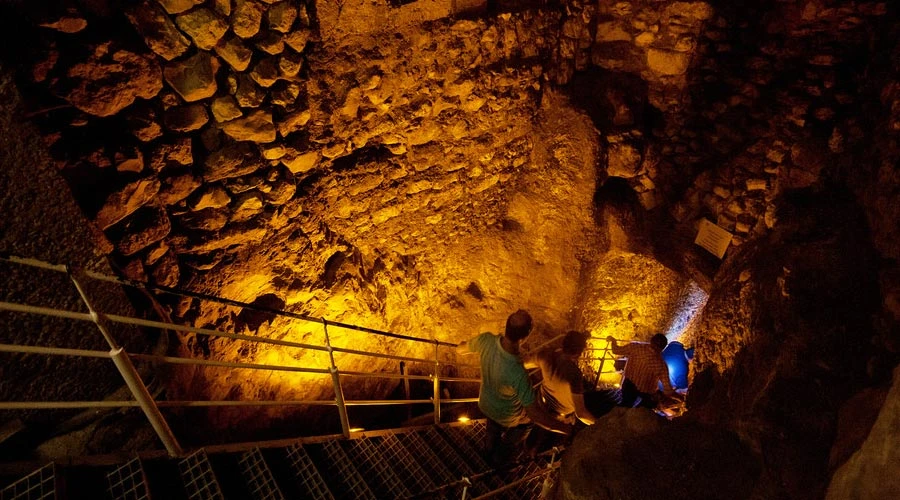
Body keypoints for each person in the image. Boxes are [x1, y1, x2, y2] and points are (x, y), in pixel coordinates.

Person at [457, 309, 572, 466]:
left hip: (485, 404)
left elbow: (460, 349)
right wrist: (565, 428)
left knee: (492, 428)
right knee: (526, 423)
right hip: (507, 417)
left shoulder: (486, 340)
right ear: (525, 336)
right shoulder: (518, 373)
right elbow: (535, 415)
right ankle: (503, 458)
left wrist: (464, 344)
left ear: (506, 326)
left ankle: (488, 452)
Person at [524, 330, 597, 425]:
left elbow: (523, 364)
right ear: (578, 354)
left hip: (539, 404)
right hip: (558, 418)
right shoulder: (574, 373)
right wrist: (597, 424)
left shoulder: (546, 354)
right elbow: (581, 414)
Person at [607, 333, 675, 409]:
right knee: (646, 407)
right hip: (645, 395)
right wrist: (673, 395)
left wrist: (613, 341)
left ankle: (620, 413)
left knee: (625, 405)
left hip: (628, 386)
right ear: (662, 348)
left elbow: (616, 350)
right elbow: (667, 389)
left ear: (651, 341)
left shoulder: (635, 347)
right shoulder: (662, 365)